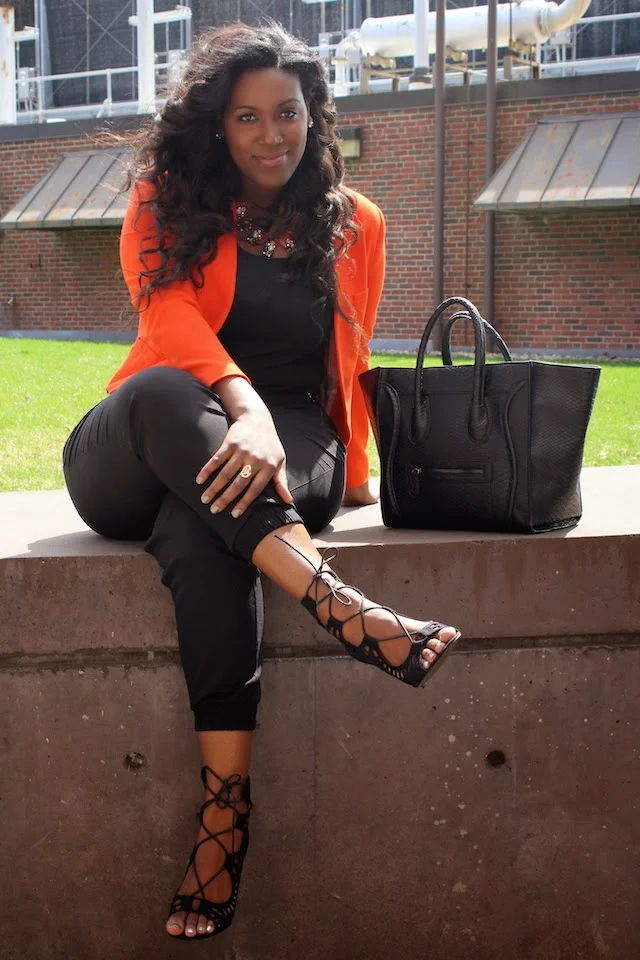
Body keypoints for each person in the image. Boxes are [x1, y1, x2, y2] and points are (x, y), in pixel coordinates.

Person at [63, 21, 460, 942]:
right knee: (167, 396)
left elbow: (349, 350)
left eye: (287, 113)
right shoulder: (166, 197)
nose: (270, 134)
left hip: (294, 443)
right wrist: (241, 409)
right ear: (219, 124)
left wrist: (351, 467)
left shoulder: (356, 222)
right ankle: (341, 608)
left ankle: (225, 817)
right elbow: (165, 319)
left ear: (314, 117)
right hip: (155, 428)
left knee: (206, 526)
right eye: (247, 116)